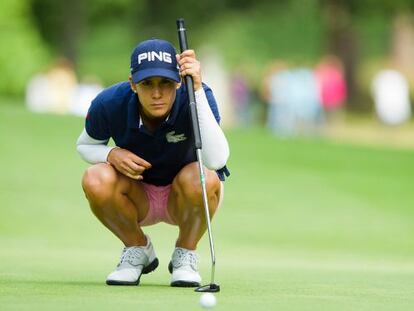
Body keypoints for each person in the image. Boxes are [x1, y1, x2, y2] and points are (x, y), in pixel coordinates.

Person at [76, 39, 230, 287]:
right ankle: (137, 248)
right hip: (136, 196)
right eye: (147, 84)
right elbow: (84, 145)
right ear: (133, 84)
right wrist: (111, 154)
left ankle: (185, 254)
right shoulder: (109, 103)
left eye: (165, 83)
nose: (157, 93)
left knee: (203, 176)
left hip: (186, 196)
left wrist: (198, 89)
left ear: (179, 82)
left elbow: (217, 159)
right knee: (94, 178)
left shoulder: (197, 95)